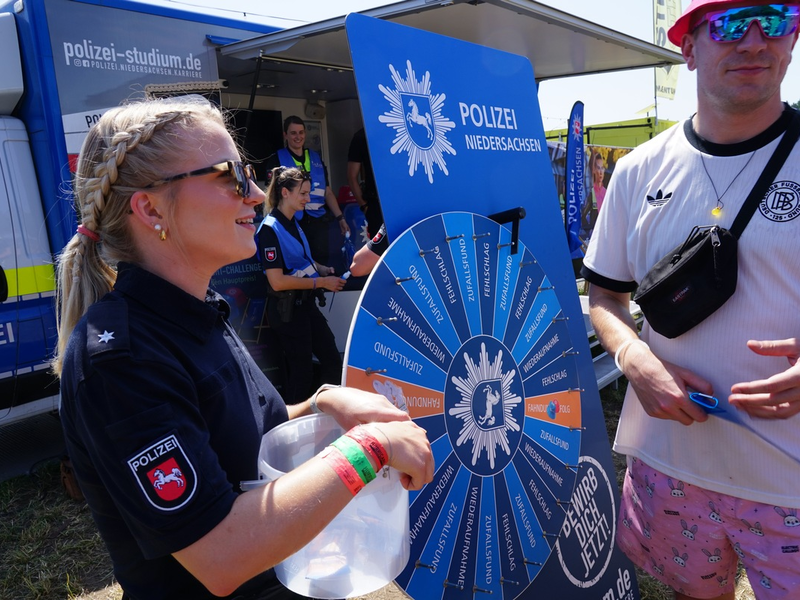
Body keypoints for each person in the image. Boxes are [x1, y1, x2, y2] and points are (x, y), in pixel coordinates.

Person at [53, 96, 434, 600]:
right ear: (149, 208)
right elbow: (220, 554)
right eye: (230, 175)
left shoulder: (194, 309)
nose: (255, 194)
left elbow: (245, 441)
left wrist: (321, 400)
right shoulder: (120, 359)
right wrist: (368, 450)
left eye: (249, 173)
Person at [581, 2, 800, 599]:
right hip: (673, 468)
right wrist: (632, 358)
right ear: (689, 46)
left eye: (775, 19)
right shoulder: (636, 170)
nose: (754, 42)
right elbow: (604, 293)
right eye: (730, 24)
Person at [257, 166, 345, 404]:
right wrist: (322, 281)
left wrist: (322, 268)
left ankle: (329, 412)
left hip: (304, 306)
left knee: (331, 360)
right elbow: (276, 282)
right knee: (301, 374)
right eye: (303, 193)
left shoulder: (292, 222)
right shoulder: (269, 229)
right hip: (288, 312)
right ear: (285, 192)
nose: (308, 198)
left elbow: (301, 259)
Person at [265, 116, 349, 270]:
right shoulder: (276, 159)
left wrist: (340, 218)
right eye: (293, 133)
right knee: (300, 264)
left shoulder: (316, 157)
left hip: (319, 224)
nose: (298, 137)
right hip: (293, 222)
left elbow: (327, 192)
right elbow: (271, 195)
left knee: (323, 265)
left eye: (301, 132)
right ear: (285, 135)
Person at [347, 127, 384, 238]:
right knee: (379, 252)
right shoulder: (361, 136)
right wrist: (364, 207)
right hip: (375, 204)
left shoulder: (396, 129)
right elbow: (351, 176)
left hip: (401, 202)